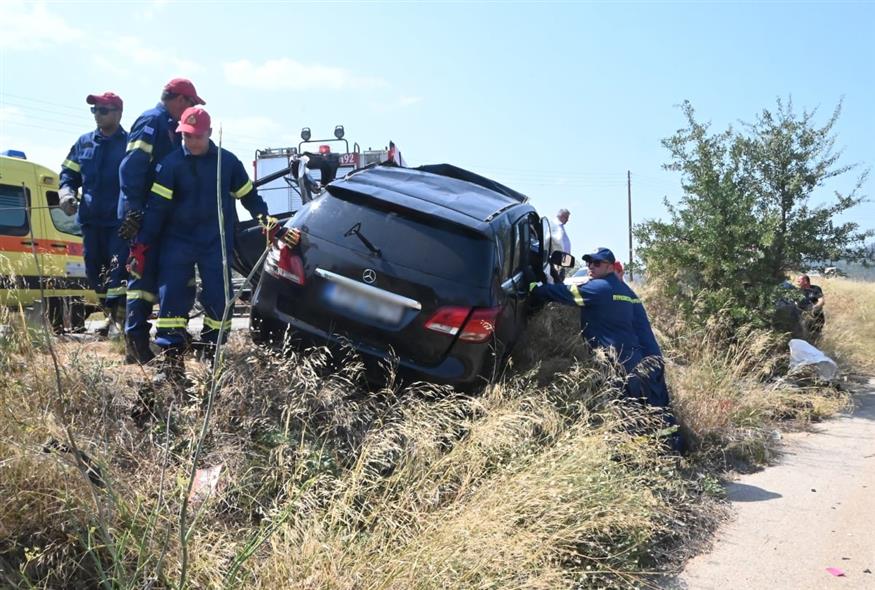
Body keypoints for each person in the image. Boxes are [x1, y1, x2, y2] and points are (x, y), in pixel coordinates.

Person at [134, 106, 300, 382]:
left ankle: (211, 351)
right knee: (171, 296)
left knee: (218, 298)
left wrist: (266, 220)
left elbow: (250, 197)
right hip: (178, 241)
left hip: (216, 241)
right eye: (187, 136)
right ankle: (172, 360)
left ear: (209, 134)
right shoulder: (171, 164)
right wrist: (142, 244)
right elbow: (157, 209)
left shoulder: (228, 163)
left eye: (197, 136)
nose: (192, 142)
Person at [528, 247, 683, 452]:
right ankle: (673, 450)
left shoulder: (598, 288)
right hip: (646, 357)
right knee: (657, 407)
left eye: (597, 263)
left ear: (610, 267)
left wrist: (532, 287)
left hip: (619, 360)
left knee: (627, 408)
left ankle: (630, 454)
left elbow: (562, 293)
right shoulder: (625, 291)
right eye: (588, 262)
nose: (591, 266)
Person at [118, 78, 206, 363]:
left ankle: (165, 342)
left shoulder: (170, 125)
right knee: (141, 281)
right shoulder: (153, 121)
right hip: (143, 216)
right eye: (191, 103)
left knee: (162, 279)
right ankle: (136, 345)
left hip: (160, 216)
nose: (191, 110)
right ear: (180, 99)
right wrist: (134, 210)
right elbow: (131, 167)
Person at [59, 92, 129, 335]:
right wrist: (66, 194)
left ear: (118, 113)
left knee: (117, 273)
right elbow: (68, 175)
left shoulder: (130, 145)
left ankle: (120, 324)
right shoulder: (84, 142)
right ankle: (111, 317)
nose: (97, 115)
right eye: (94, 110)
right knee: (94, 273)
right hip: (90, 222)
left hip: (119, 224)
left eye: (103, 110)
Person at [797, 274, 825, 342]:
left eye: (799, 281)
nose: (797, 282)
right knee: (805, 335)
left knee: (816, 335)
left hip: (816, 316)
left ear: (805, 281)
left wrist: (814, 308)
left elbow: (821, 301)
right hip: (803, 316)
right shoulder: (798, 291)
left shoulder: (815, 289)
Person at [551, 209, 572, 282]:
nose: (567, 220)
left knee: (560, 279)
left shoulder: (560, 226)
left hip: (563, 258)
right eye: (566, 217)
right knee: (557, 280)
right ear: (561, 216)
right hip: (558, 258)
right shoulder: (554, 225)